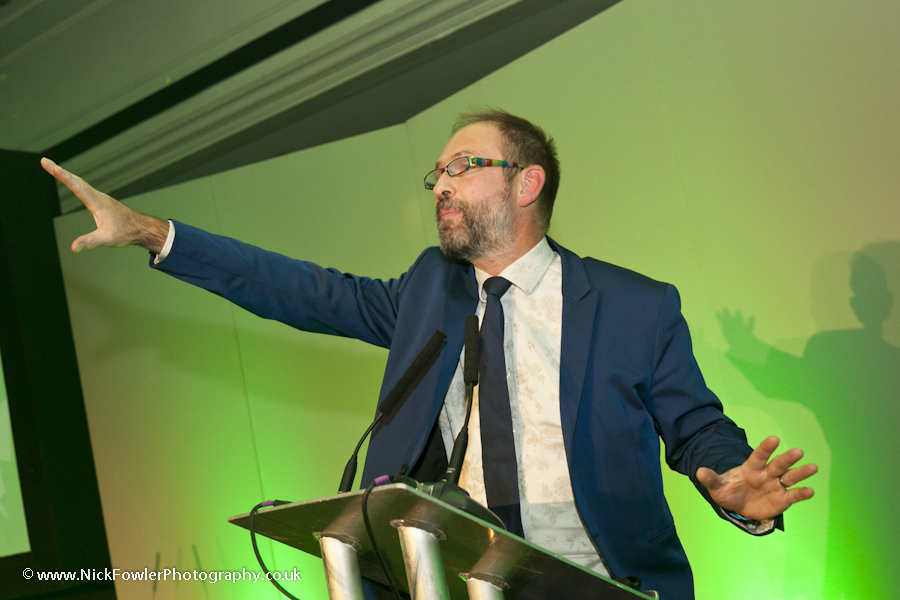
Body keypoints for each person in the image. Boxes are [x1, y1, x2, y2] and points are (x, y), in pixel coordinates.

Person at [42, 110, 816, 599]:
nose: (440, 185)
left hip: (594, 580)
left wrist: (730, 484)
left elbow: (698, 429)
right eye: (436, 173)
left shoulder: (633, 305)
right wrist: (153, 233)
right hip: (448, 576)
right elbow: (300, 290)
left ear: (527, 183)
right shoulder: (428, 291)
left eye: (461, 167)